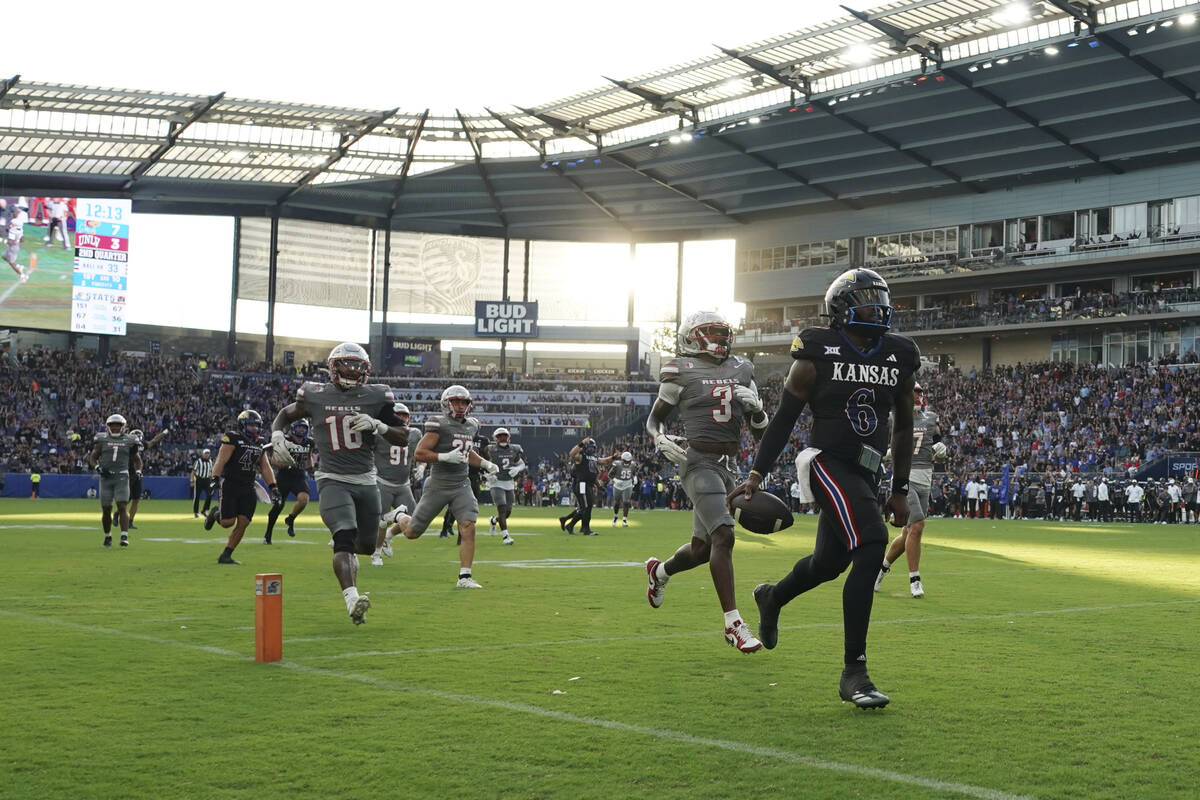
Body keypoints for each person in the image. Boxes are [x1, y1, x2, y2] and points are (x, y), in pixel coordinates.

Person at [730, 268, 920, 709]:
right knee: (872, 543)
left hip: (868, 472)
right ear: (841, 307)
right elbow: (783, 420)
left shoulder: (899, 354)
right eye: (866, 299)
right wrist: (757, 474)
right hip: (826, 463)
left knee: (828, 563)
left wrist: (900, 487)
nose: (877, 306)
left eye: (880, 298)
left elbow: (904, 425)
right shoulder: (817, 352)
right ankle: (855, 671)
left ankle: (772, 597)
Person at [644, 310, 770, 654]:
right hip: (697, 462)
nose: (720, 339)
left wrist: (757, 411)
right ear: (692, 336)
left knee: (702, 550)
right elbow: (655, 419)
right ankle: (734, 624)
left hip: (728, 465)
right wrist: (658, 438)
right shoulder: (679, 370)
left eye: (722, 332)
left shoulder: (741, 368)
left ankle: (660, 572)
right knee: (724, 536)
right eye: (711, 332)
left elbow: (761, 432)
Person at [271, 342, 408, 622]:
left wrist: (378, 425)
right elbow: (286, 414)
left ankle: (350, 547)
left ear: (366, 371)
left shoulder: (376, 396)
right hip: (331, 478)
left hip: (367, 480)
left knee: (367, 546)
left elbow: (403, 436)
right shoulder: (315, 394)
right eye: (347, 365)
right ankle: (352, 598)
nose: (352, 371)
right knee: (344, 536)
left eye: (357, 366)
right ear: (334, 368)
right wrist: (276, 435)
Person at [385, 385, 500, 588]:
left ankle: (464, 577)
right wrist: (444, 456)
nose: (460, 406)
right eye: (456, 401)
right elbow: (419, 453)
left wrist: (485, 464)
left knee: (468, 526)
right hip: (438, 484)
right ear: (446, 403)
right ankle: (399, 516)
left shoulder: (471, 425)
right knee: (412, 532)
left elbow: (466, 451)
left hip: (461, 484)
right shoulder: (440, 424)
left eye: (463, 402)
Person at [875, 382, 945, 599]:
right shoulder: (896, 417)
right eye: (915, 391)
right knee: (917, 526)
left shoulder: (931, 418)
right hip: (905, 478)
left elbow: (938, 443)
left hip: (925, 479)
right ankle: (915, 580)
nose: (919, 395)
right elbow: (885, 443)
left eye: (920, 391)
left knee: (908, 533)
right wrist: (887, 452)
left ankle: (880, 570)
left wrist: (942, 450)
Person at [204, 410, 279, 565]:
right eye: (251, 425)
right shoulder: (232, 438)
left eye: (256, 426)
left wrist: (274, 488)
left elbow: (265, 468)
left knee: (244, 522)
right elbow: (221, 460)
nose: (254, 429)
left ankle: (226, 555)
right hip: (231, 484)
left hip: (248, 486)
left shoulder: (260, 443)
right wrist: (214, 478)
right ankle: (215, 513)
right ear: (242, 425)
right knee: (227, 522)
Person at [370, 403, 418, 565]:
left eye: (405, 415)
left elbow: (418, 454)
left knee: (415, 519)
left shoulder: (414, 434)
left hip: (403, 484)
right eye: (399, 415)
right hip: (383, 482)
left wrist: (422, 466)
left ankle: (389, 537)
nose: (402, 418)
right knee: (380, 521)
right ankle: (376, 553)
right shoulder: (379, 434)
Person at [90, 413, 141, 548]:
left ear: (123, 427)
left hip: (122, 477)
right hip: (106, 478)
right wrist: (97, 467)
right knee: (106, 509)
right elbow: (92, 457)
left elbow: (137, 460)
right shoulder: (102, 440)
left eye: (118, 425)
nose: (116, 428)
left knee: (122, 505)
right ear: (108, 427)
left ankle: (124, 535)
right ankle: (108, 537)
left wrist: (139, 471)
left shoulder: (130, 440)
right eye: (113, 425)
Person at [263, 418, 315, 544]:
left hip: (299, 475)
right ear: (293, 428)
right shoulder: (285, 441)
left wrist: (311, 469)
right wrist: (284, 463)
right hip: (284, 476)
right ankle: (268, 534)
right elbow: (273, 461)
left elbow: (308, 457)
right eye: (299, 427)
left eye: (304, 427)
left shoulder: (309, 442)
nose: (301, 429)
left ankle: (291, 518)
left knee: (304, 499)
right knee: (278, 506)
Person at [559, 437, 612, 535]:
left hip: (588, 484)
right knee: (585, 507)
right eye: (589, 447)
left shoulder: (594, 457)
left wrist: (614, 457)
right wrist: (582, 443)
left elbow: (602, 462)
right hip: (582, 484)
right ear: (585, 447)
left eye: (593, 448)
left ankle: (574, 525)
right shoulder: (581, 456)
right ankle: (583, 528)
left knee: (586, 507)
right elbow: (572, 454)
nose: (591, 449)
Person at [486, 427, 524, 546]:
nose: (502, 438)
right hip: (496, 482)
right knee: (502, 509)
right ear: (495, 438)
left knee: (507, 512)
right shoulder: (490, 449)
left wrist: (517, 468)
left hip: (509, 482)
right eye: (499, 436)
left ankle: (493, 520)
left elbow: (521, 463)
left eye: (504, 436)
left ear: (508, 437)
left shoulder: (514, 449)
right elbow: (482, 463)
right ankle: (505, 536)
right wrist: (488, 475)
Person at [127, 427, 167, 529]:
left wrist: (163, 433)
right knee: (127, 498)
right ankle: (118, 513)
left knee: (135, 499)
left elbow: (154, 441)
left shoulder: (141, 445)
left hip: (138, 473)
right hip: (127, 472)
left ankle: (130, 522)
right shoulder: (126, 444)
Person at [4, 197, 30, 283]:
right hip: (15, 246)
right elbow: (22, 239)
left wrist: (3, 241)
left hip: (13, 248)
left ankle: (22, 275)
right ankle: (19, 266)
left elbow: (11, 242)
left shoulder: (13, 228)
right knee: (4, 257)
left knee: (11, 262)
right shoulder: (20, 227)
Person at [610, 451, 637, 527]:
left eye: (629, 461)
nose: (627, 462)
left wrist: (634, 478)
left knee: (626, 502)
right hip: (617, 485)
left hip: (628, 485)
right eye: (626, 461)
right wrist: (614, 480)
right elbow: (610, 474)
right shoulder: (617, 465)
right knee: (616, 502)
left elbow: (634, 473)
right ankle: (615, 516)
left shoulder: (633, 465)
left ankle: (624, 520)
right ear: (622, 460)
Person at [192, 448, 216, 518]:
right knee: (197, 496)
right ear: (203, 454)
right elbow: (193, 471)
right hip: (199, 479)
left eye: (208, 453)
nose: (207, 455)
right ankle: (195, 512)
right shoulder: (198, 461)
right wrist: (192, 481)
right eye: (205, 453)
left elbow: (211, 471)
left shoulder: (210, 462)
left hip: (207, 480)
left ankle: (204, 510)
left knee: (209, 495)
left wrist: (212, 480)